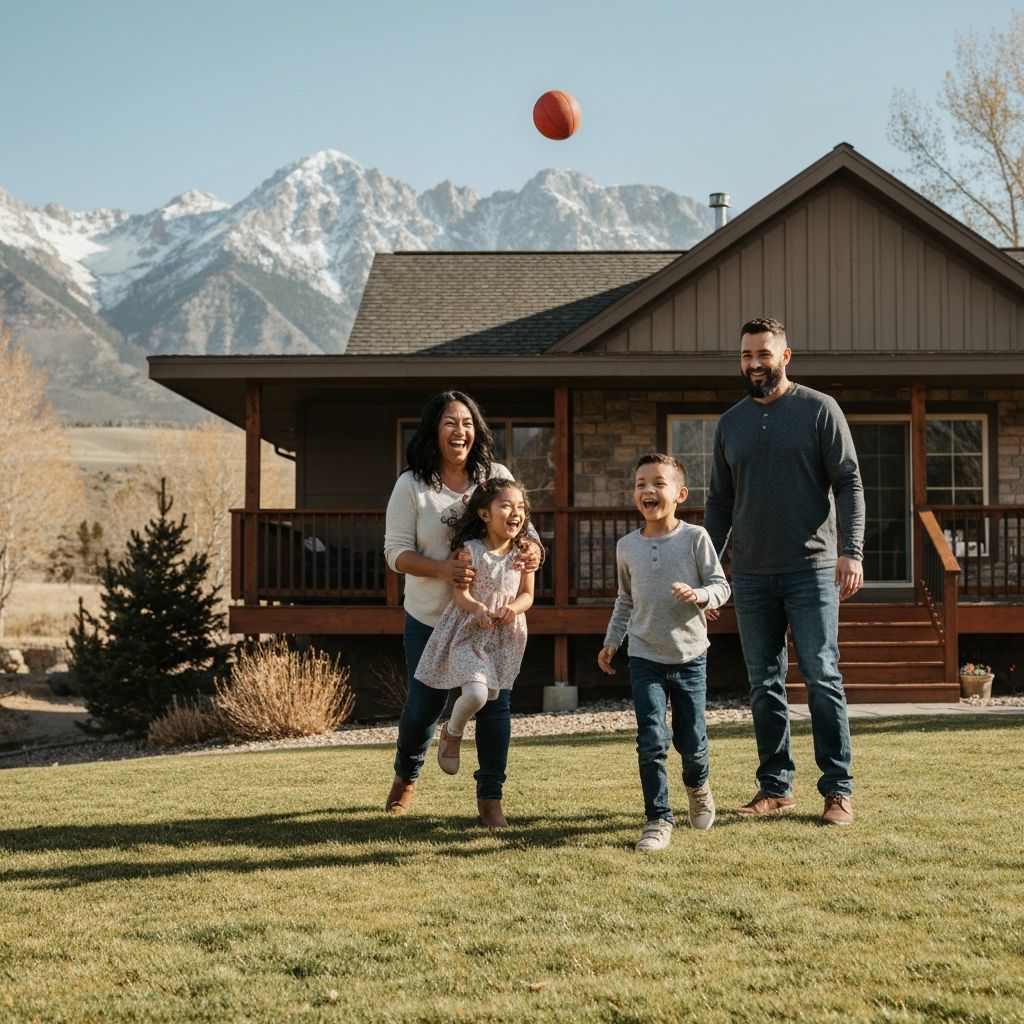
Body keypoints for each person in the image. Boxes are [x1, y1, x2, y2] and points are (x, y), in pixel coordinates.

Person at [703, 317, 865, 827]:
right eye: (747, 355)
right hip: (749, 574)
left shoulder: (819, 410)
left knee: (822, 676)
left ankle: (837, 790)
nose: (755, 363)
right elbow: (719, 503)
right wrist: (707, 572)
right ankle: (775, 787)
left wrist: (851, 550)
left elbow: (849, 483)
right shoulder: (730, 423)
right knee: (763, 683)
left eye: (764, 354)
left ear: (785, 356)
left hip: (812, 567)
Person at [383, 390, 542, 827]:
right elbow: (395, 553)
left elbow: (525, 531)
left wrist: (534, 554)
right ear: (434, 430)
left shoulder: (496, 476)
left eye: (468, 422)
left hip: (491, 625)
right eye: (450, 422)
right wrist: (443, 568)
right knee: (422, 708)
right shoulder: (412, 484)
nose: (460, 431)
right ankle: (406, 777)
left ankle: (490, 799)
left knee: (495, 708)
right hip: (431, 619)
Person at [598, 454, 731, 852]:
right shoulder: (626, 546)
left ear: (680, 494)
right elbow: (625, 600)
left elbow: (721, 586)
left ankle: (698, 785)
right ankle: (658, 819)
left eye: (658, 483)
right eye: (640, 483)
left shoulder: (695, 538)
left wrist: (701, 596)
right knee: (651, 739)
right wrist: (611, 641)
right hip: (644, 655)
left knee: (691, 740)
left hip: (691, 655)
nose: (648, 490)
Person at [417, 478, 535, 782]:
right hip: (469, 634)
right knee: (476, 694)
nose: (515, 512)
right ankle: (452, 733)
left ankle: (483, 775)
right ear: (484, 514)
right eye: (506, 505)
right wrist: (478, 608)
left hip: (504, 639)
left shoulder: (523, 553)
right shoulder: (470, 550)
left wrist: (515, 608)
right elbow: (461, 595)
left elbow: (527, 595)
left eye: (520, 507)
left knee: (491, 698)